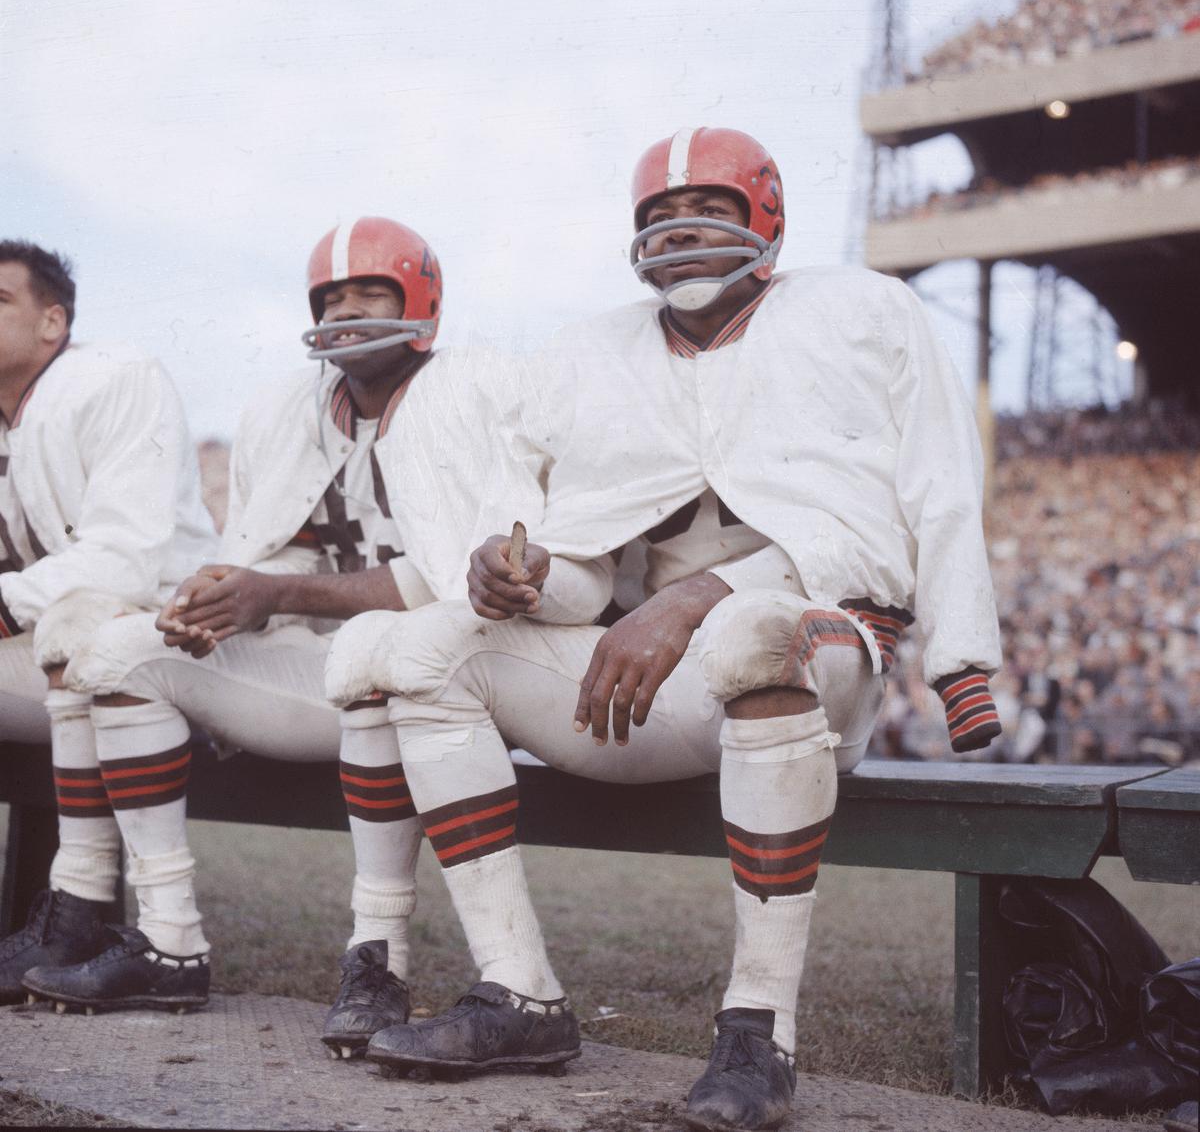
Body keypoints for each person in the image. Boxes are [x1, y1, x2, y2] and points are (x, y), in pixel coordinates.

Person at [323, 129, 1004, 1131]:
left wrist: (963, 667)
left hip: (818, 646)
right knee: (418, 647)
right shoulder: (591, 352)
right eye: (658, 218)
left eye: (710, 211)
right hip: (654, 682)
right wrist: (520, 567)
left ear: (766, 215)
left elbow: (934, 494)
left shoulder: (863, 309)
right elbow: (581, 556)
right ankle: (518, 990)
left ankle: (758, 1028)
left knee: (749, 631)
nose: (680, 234)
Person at [21, 219, 544, 1049]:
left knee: (383, 655)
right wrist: (218, 599)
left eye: (371, 291)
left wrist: (278, 590)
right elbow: (268, 556)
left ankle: (379, 961)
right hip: (318, 667)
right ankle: (169, 944)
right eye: (330, 297)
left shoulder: (478, 387)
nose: (347, 310)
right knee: (115, 649)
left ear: (422, 299)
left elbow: (454, 579)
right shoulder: (285, 408)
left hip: (442, 678)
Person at [0, 239, 213, 1005]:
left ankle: (83, 910)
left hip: (170, 637)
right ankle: (74, 910)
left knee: (85, 628)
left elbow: (124, 559)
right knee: (68, 633)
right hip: (59, 650)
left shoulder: (113, 377)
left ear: (53, 321)